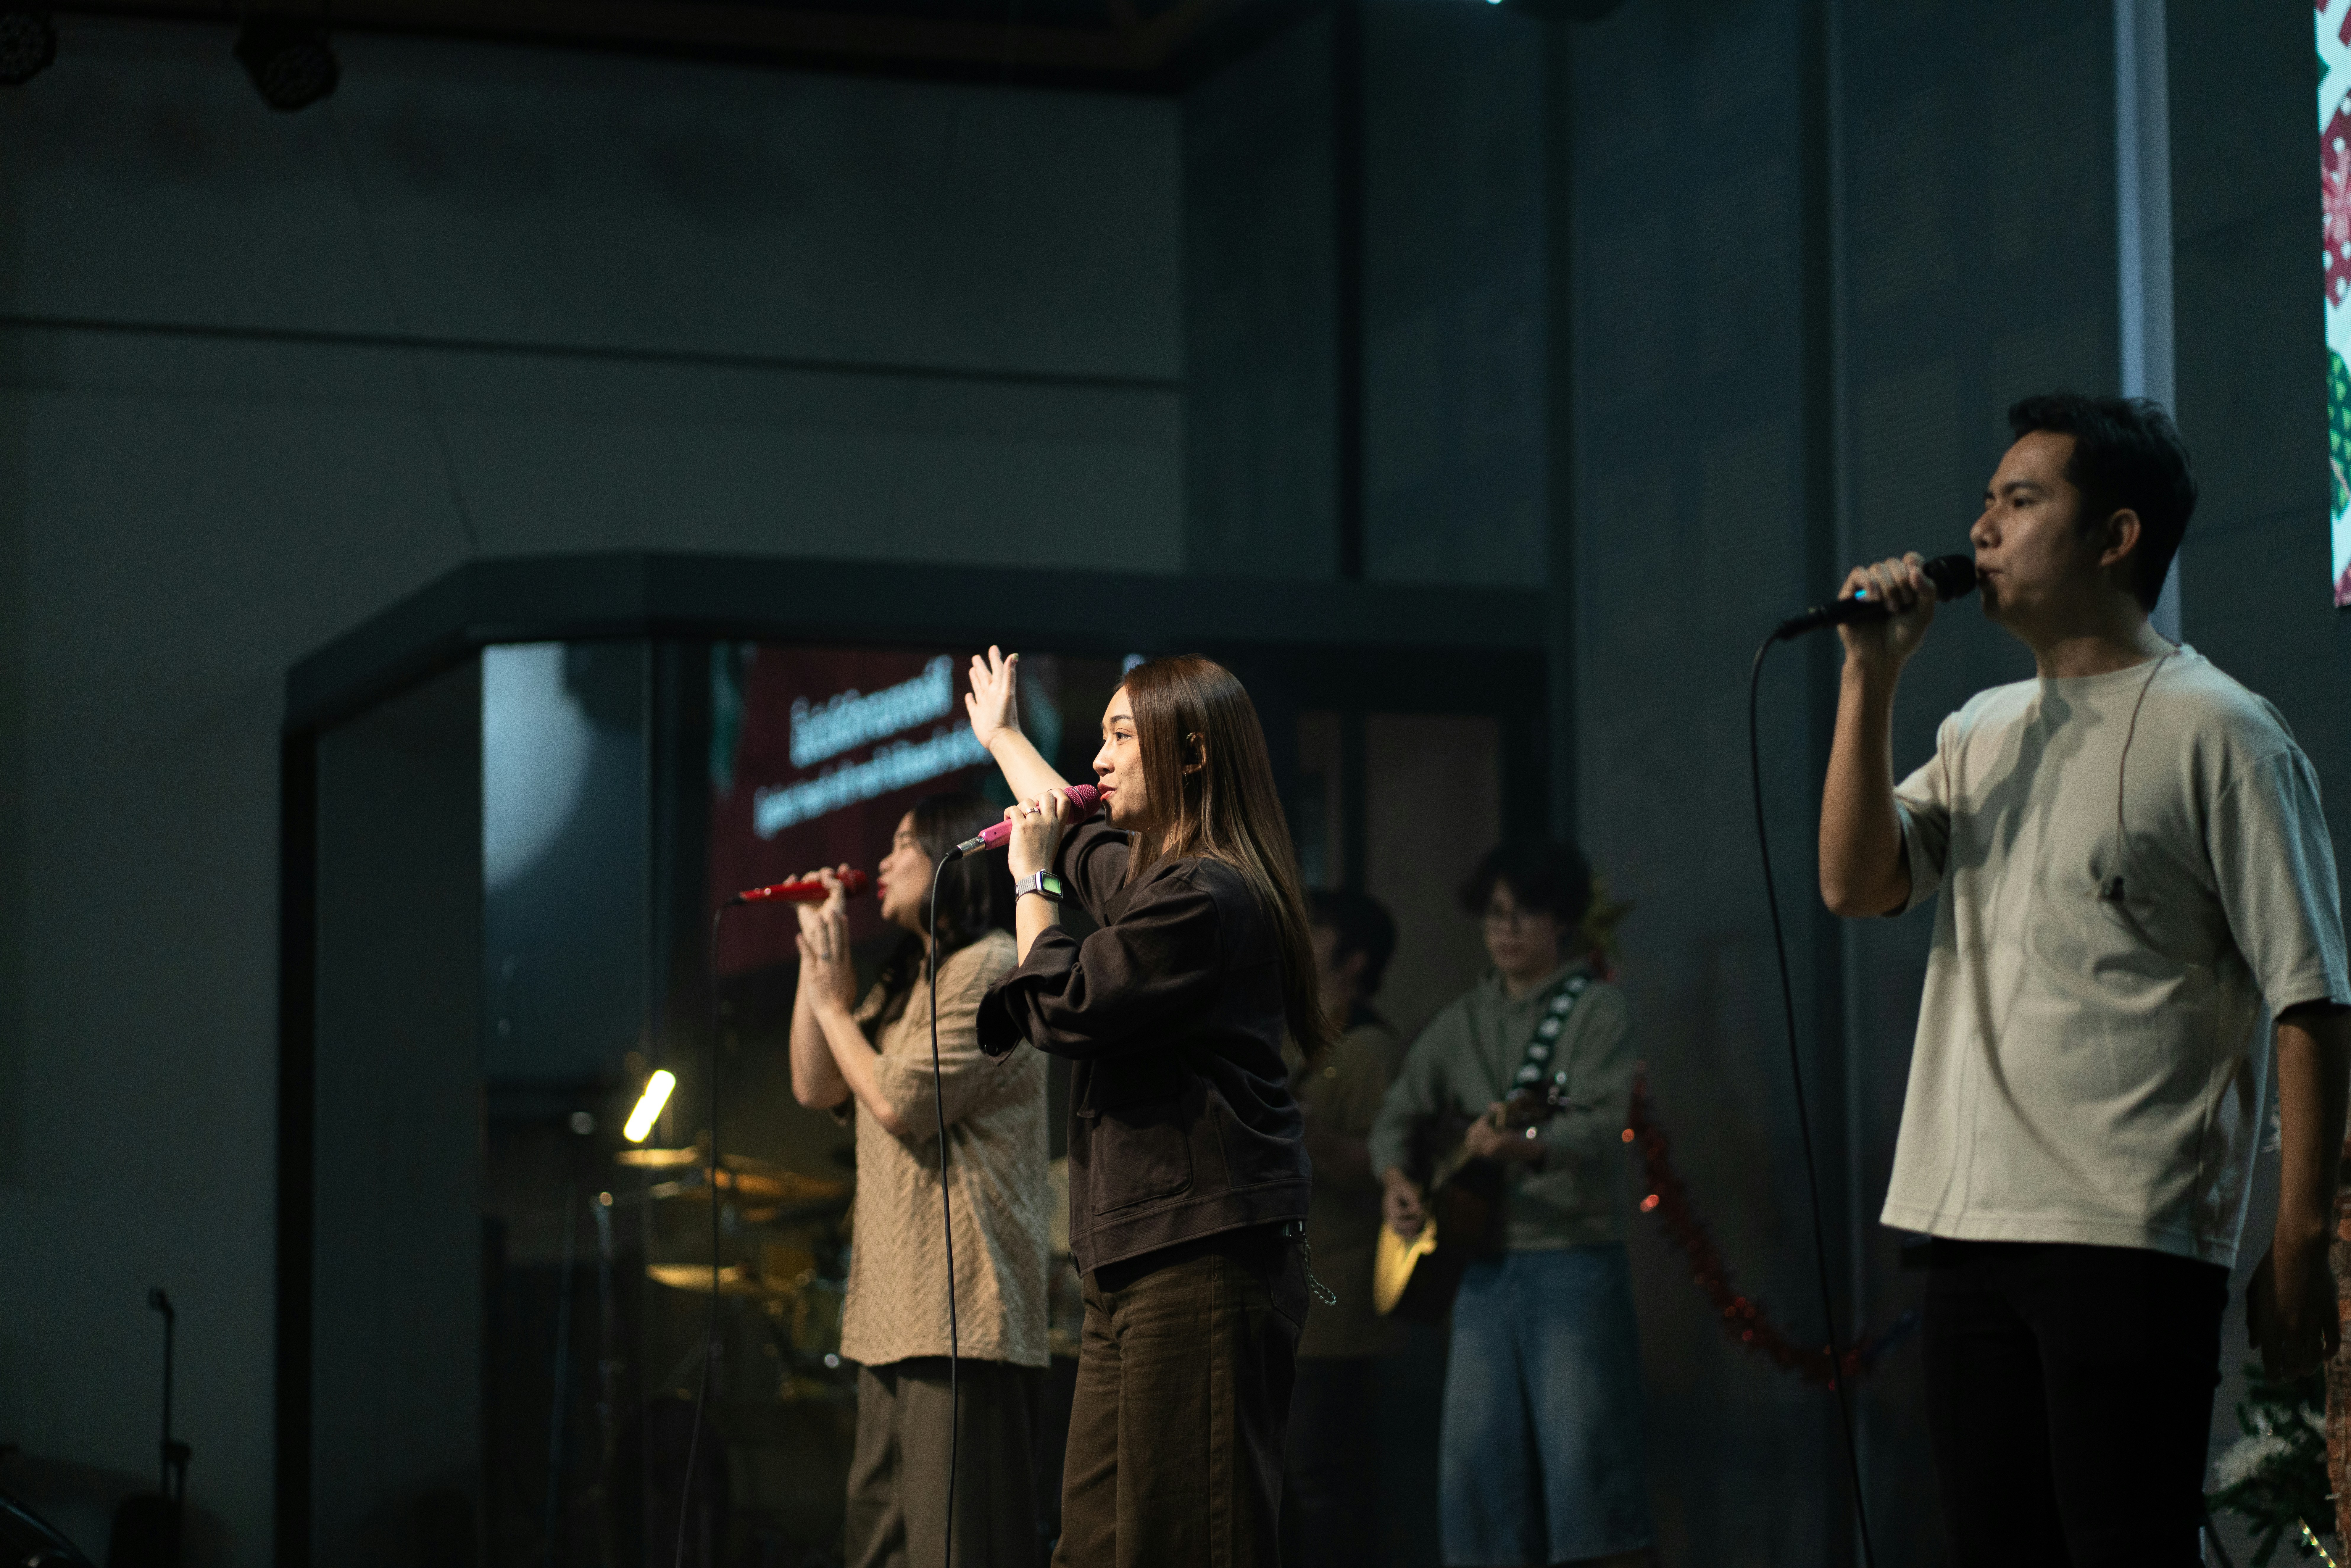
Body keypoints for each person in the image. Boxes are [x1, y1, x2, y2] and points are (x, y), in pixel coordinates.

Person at [1817, 393, 2351, 1566]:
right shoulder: (1981, 728)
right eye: (1986, 501)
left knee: (2124, 1545)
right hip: (1964, 1225)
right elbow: (1856, 881)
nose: (1982, 525)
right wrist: (1870, 678)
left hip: (2128, 1232)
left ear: (2114, 536)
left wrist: (2300, 1229)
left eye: (2019, 498)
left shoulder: (2224, 731)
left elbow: (2310, 993)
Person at [964, 646, 1336, 1568]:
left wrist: (1030, 879)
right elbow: (1080, 839)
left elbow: (1062, 1002)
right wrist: (1007, 739)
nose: (1098, 759)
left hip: (1197, 1255)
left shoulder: (1207, 897)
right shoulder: (1164, 882)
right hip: (1133, 1257)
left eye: (1121, 736)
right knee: (1093, 1546)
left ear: (1194, 753)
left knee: (1185, 1540)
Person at [786, 792, 1052, 1568]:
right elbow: (817, 1085)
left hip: (964, 1311)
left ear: (949, 860)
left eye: (903, 843)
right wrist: (817, 966)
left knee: (951, 1546)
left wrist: (837, 1008)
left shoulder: (993, 965)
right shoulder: (908, 981)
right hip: (890, 1315)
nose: (882, 861)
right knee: (880, 1542)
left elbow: (901, 1103)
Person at [1371, 842, 1653, 1568]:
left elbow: (1600, 1122)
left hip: (1571, 1258)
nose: (1505, 929)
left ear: (1560, 921)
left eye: (1524, 914)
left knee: (1583, 1459)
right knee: (1474, 1468)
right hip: (1479, 1266)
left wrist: (1522, 1145)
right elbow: (1398, 1112)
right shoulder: (1464, 1018)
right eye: (1495, 915)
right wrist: (1396, 1180)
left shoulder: (1595, 1009)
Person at [1280, 888, 1405, 1568]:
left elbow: (1386, 1167)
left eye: (1319, 928)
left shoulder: (1370, 1050)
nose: (1303, 933)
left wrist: (1312, 1134)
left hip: (1335, 1301)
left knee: (1323, 1482)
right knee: (1286, 1487)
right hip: (1282, 1299)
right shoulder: (1286, 1026)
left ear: (1354, 959)